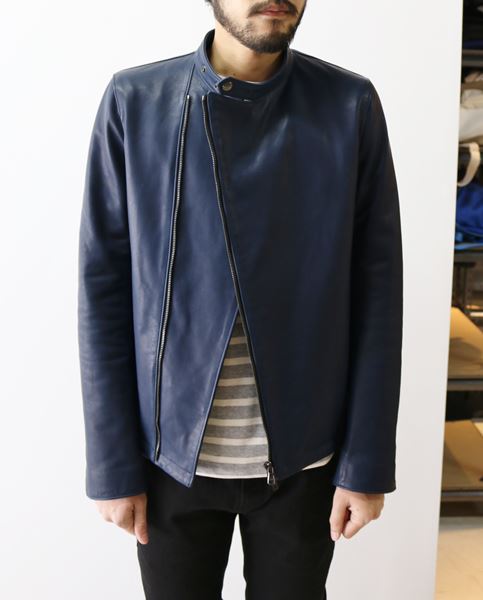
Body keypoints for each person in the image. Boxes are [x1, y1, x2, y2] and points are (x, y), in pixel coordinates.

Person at [77, 1, 403, 598]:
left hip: (306, 460)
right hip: (168, 459)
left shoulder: (348, 104)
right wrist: (111, 464)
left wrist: (367, 463)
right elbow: (103, 291)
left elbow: (378, 295)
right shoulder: (135, 101)